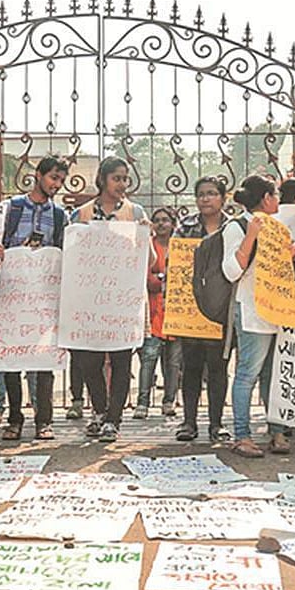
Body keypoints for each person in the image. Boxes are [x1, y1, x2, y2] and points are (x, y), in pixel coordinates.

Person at [71, 156, 149, 443]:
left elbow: (148, 260)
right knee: (88, 361)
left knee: (120, 361)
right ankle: (100, 411)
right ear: (102, 179)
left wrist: (145, 235)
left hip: (122, 301)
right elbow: (71, 255)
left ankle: (113, 420)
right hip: (89, 300)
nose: (122, 184)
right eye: (117, 178)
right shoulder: (81, 214)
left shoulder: (135, 212)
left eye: (125, 179)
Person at [223, 175, 295, 458]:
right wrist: (251, 236)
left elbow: (269, 268)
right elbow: (231, 271)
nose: (279, 200)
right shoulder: (237, 226)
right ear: (266, 198)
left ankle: (277, 432)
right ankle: (242, 435)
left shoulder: (277, 229)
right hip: (252, 310)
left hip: (276, 309)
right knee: (248, 373)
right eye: (276, 195)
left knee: (274, 373)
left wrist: (289, 255)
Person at [0, 155, 70, 441]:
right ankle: (14, 418)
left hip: (43, 297)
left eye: (61, 180)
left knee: (45, 361)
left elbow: (64, 252)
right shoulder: (11, 209)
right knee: (12, 361)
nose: (56, 184)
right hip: (11, 295)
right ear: (38, 175)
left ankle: (44, 420)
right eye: (53, 177)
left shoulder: (60, 215)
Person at [172, 177, 232, 442]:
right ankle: (188, 422)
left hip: (222, 308)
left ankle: (216, 424)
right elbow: (174, 263)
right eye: (201, 195)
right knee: (191, 367)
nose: (206, 199)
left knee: (218, 368)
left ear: (223, 197)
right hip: (190, 309)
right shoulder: (184, 227)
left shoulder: (233, 227)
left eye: (212, 194)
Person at [134, 206, 182, 419]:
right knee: (149, 359)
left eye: (166, 220)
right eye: (157, 220)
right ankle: (142, 403)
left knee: (173, 363)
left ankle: (168, 401)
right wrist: (162, 279)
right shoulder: (148, 246)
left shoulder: (179, 247)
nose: (162, 223)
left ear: (173, 224)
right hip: (152, 313)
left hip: (176, 312)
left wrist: (160, 277)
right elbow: (145, 277)